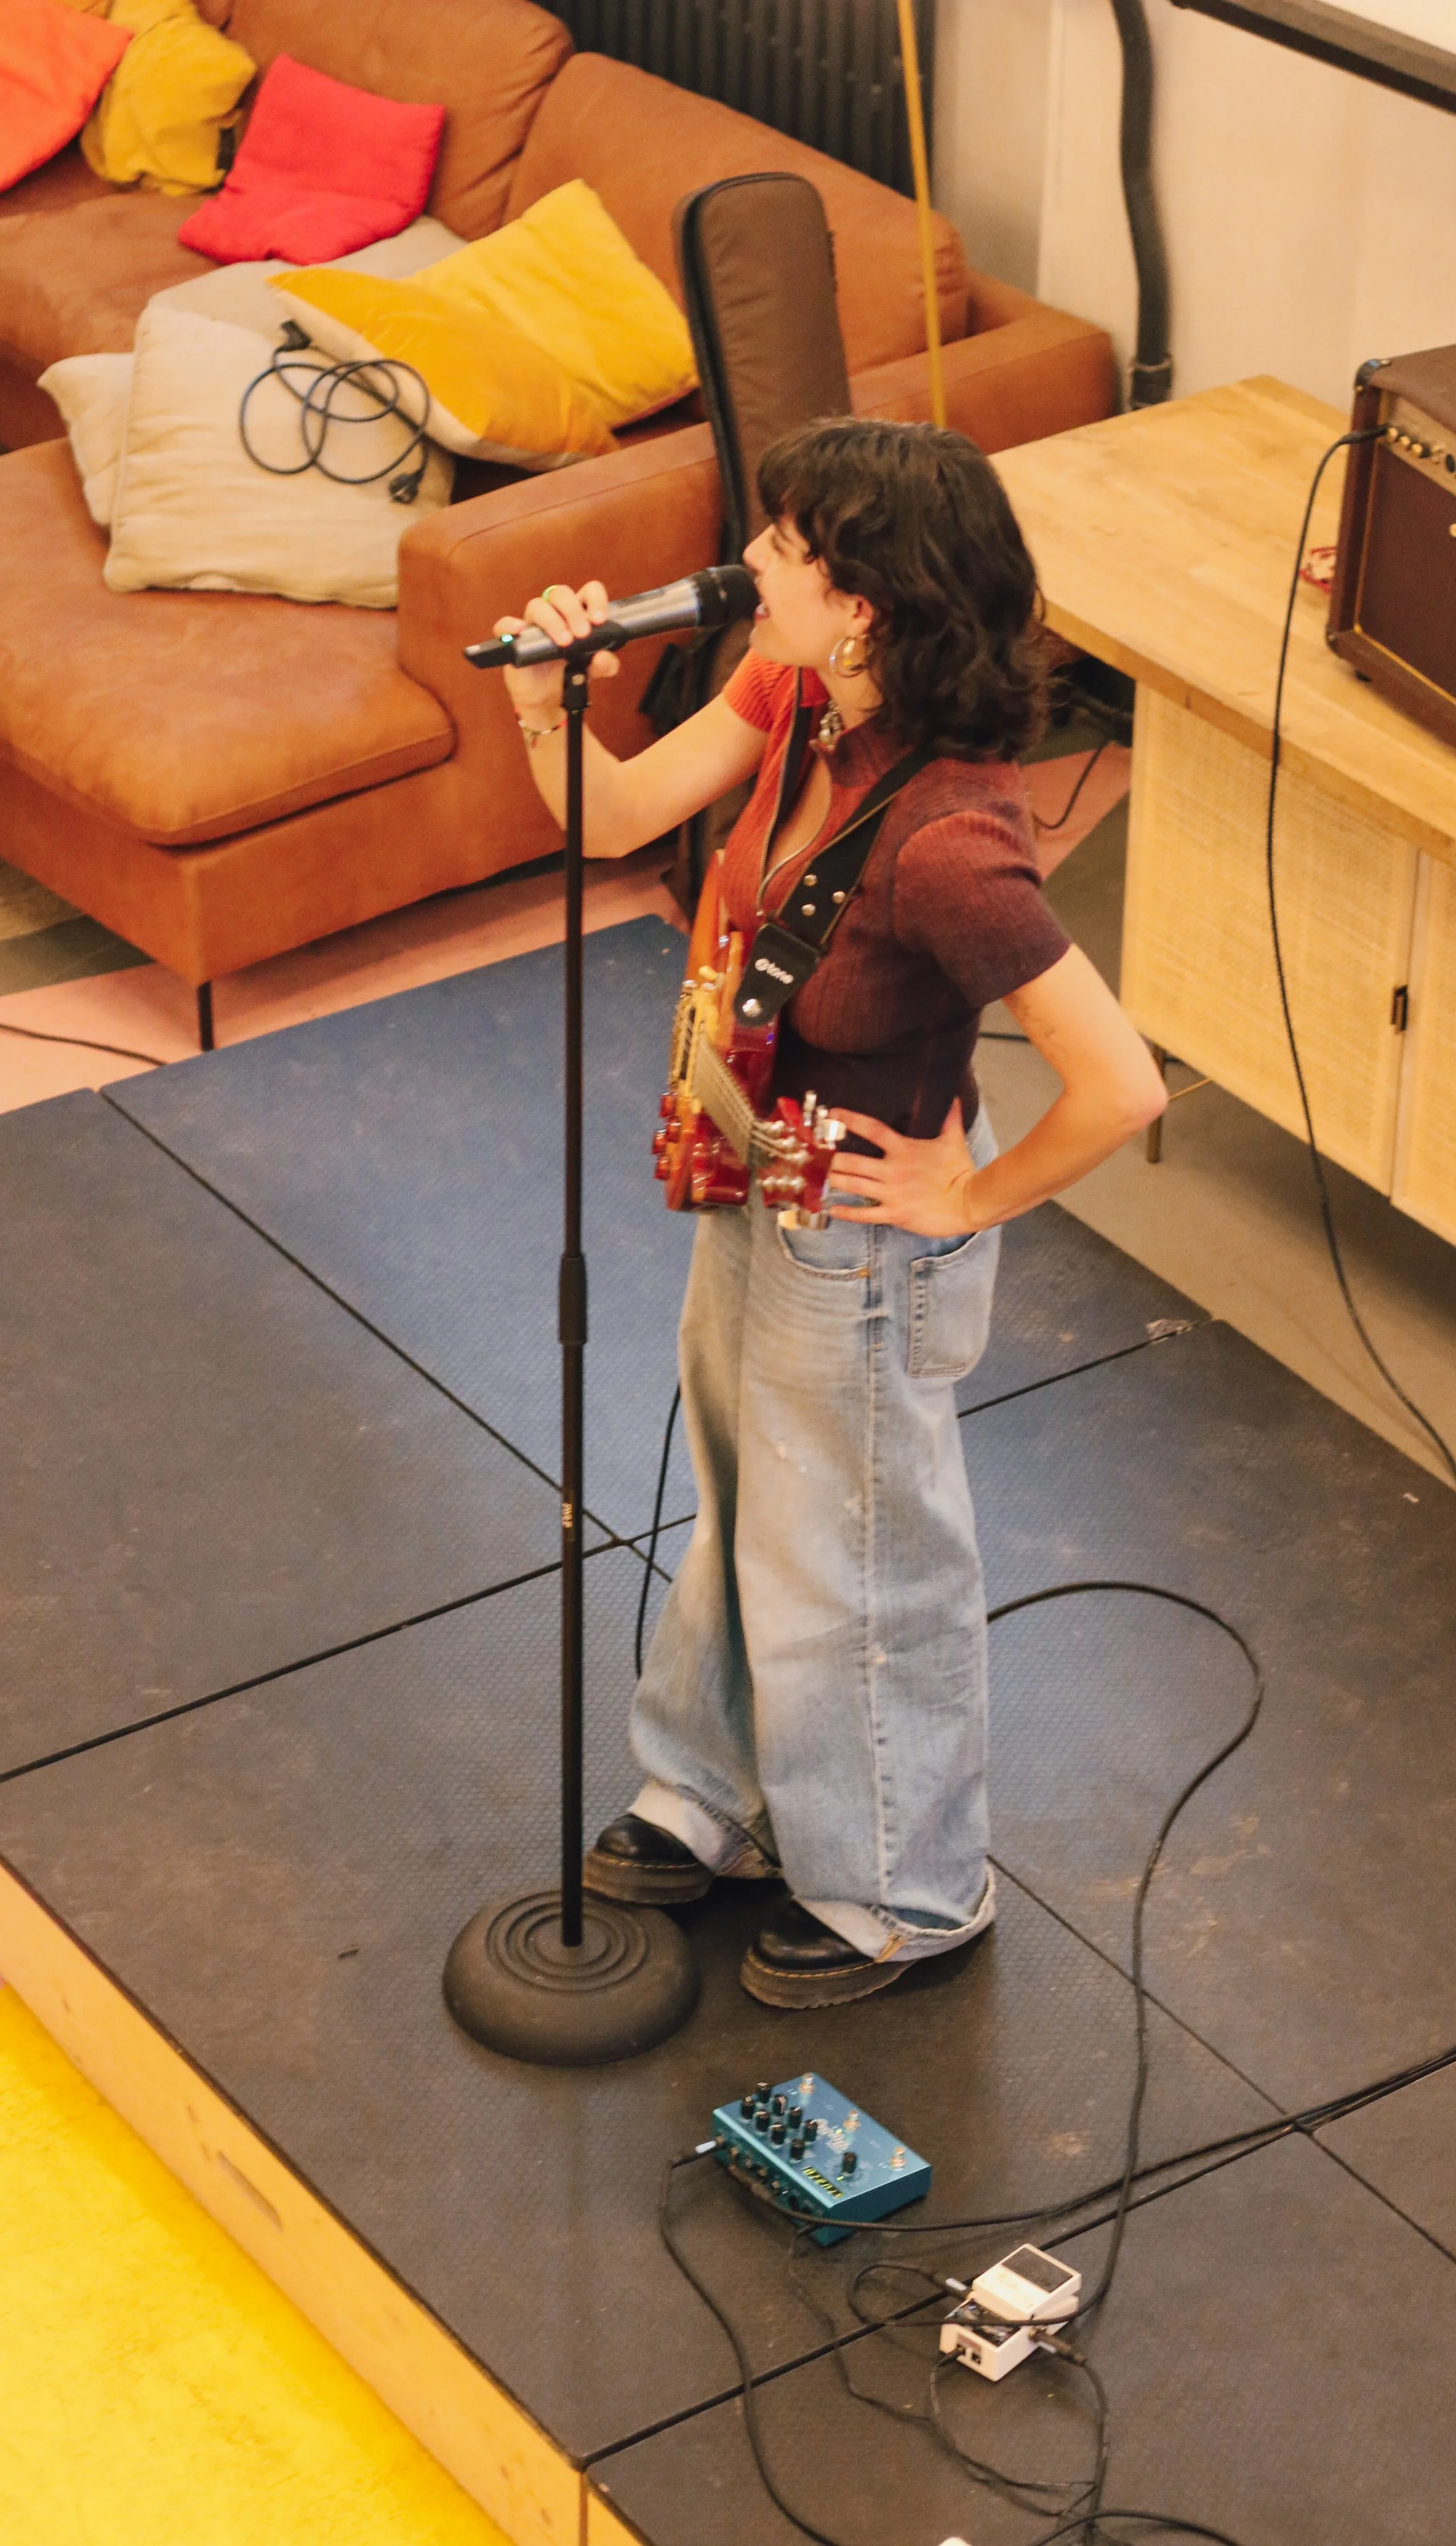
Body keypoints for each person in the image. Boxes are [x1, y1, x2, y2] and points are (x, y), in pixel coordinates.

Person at [496, 417, 1167, 2009]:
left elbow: (1122, 1084)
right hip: (753, 1173)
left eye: (786, 546)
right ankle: (709, 1795)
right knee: (746, 1501)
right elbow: (612, 812)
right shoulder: (797, 693)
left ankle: (906, 1890)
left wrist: (967, 1192)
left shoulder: (949, 846)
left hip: (857, 1239)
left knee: (859, 1557)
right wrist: (545, 698)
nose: (753, 564)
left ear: (863, 600)